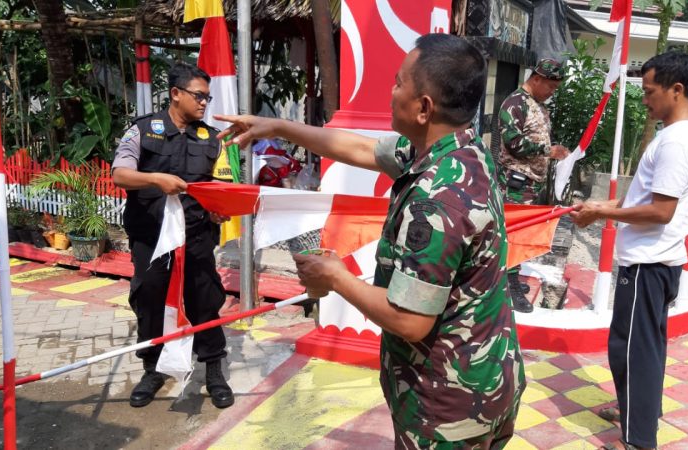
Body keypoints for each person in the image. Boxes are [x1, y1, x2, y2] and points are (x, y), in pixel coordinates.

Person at [216, 33, 525, 448]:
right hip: (488, 381)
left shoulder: (437, 198)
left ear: (423, 107)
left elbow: (410, 321)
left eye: (399, 82)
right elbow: (360, 148)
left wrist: (336, 278)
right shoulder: (461, 151)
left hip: (448, 406)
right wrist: (275, 125)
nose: (391, 90)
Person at [570, 52, 688, 450]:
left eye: (649, 91)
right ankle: (638, 410)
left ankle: (639, 439)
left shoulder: (677, 142)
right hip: (653, 261)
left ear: (676, 91)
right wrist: (600, 208)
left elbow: (661, 211)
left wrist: (600, 214)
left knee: (630, 351)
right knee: (643, 347)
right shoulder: (673, 136)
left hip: (649, 263)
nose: (644, 100)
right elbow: (643, 199)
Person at [112, 63, 234, 409]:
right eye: (199, 95)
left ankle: (213, 370)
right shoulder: (142, 131)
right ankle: (153, 369)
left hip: (196, 236)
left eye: (208, 98)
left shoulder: (211, 139)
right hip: (151, 238)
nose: (204, 103)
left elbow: (222, 186)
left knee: (205, 300)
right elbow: (120, 174)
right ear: (176, 93)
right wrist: (155, 179)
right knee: (150, 300)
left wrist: (218, 208)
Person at [495, 58, 570, 313]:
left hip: (531, 181)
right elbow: (513, 143)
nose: (551, 92)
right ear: (536, 78)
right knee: (514, 232)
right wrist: (549, 151)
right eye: (550, 86)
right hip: (516, 180)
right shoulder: (515, 103)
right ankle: (508, 283)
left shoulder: (535, 105)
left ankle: (512, 277)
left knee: (523, 232)